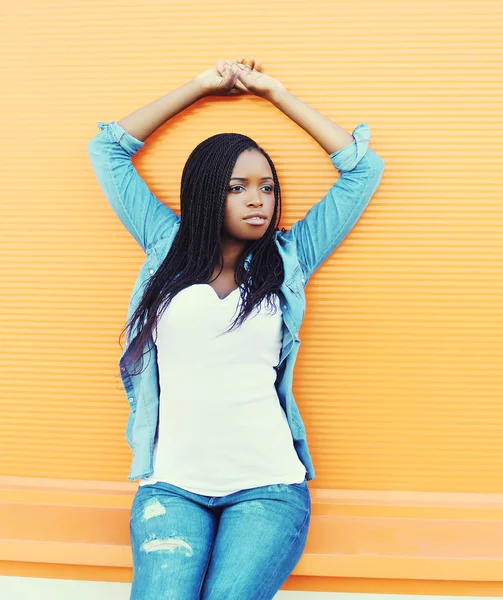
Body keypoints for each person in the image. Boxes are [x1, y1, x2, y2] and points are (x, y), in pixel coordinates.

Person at [87, 56, 385, 600]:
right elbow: (106, 152)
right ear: (205, 193)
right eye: (237, 186)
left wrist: (276, 93)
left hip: (268, 487)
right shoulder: (165, 245)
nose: (257, 199)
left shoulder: (290, 256)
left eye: (267, 187)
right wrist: (199, 87)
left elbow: (363, 170)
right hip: (171, 486)